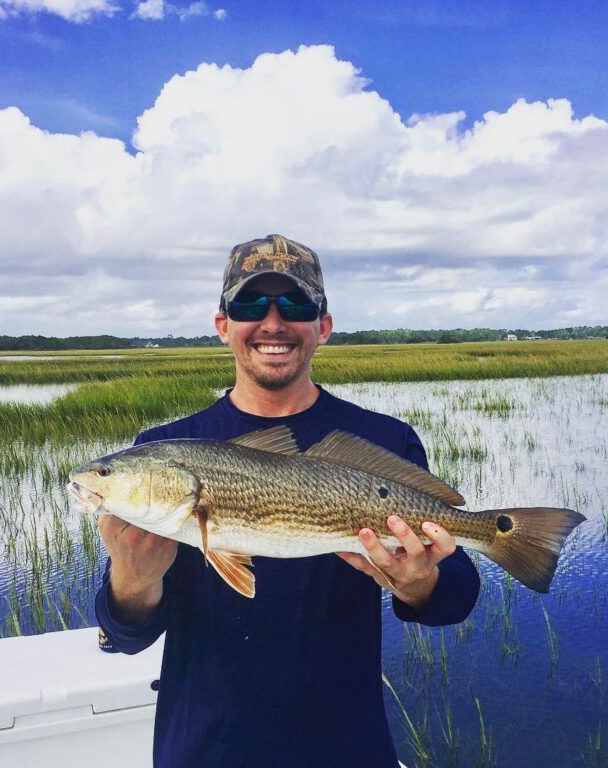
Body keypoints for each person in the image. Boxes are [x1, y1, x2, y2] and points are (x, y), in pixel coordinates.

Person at [94, 234, 480, 768]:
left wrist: (421, 583)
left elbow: (456, 596)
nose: (272, 323)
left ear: (322, 325)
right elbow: (126, 635)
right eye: (250, 304)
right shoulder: (162, 453)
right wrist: (132, 580)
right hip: (206, 749)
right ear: (223, 325)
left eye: (294, 304)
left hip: (346, 748)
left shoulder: (383, 441)